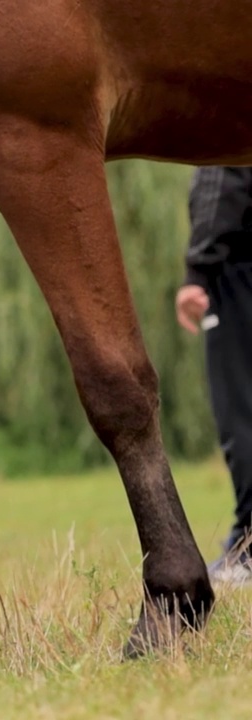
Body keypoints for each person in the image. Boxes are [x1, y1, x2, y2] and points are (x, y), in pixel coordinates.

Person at [176, 165, 252, 586]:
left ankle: (250, 548)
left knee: (240, 408)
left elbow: (224, 172)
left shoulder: (234, 104)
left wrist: (198, 270)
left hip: (238, 267)